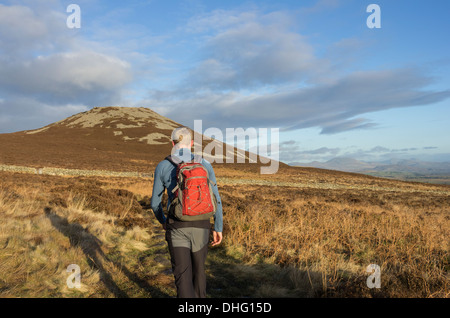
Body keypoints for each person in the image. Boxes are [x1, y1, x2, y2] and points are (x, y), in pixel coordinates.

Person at [150, 126, 223, 298]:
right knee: (199, 272)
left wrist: (163, 221)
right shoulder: (205, 164)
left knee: (182, 275)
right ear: (191, 143)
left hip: (177, 226)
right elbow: (216, 199)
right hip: (202, 225)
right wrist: (218, 227)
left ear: (172, 142)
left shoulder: (163, 166)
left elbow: (154, 203)